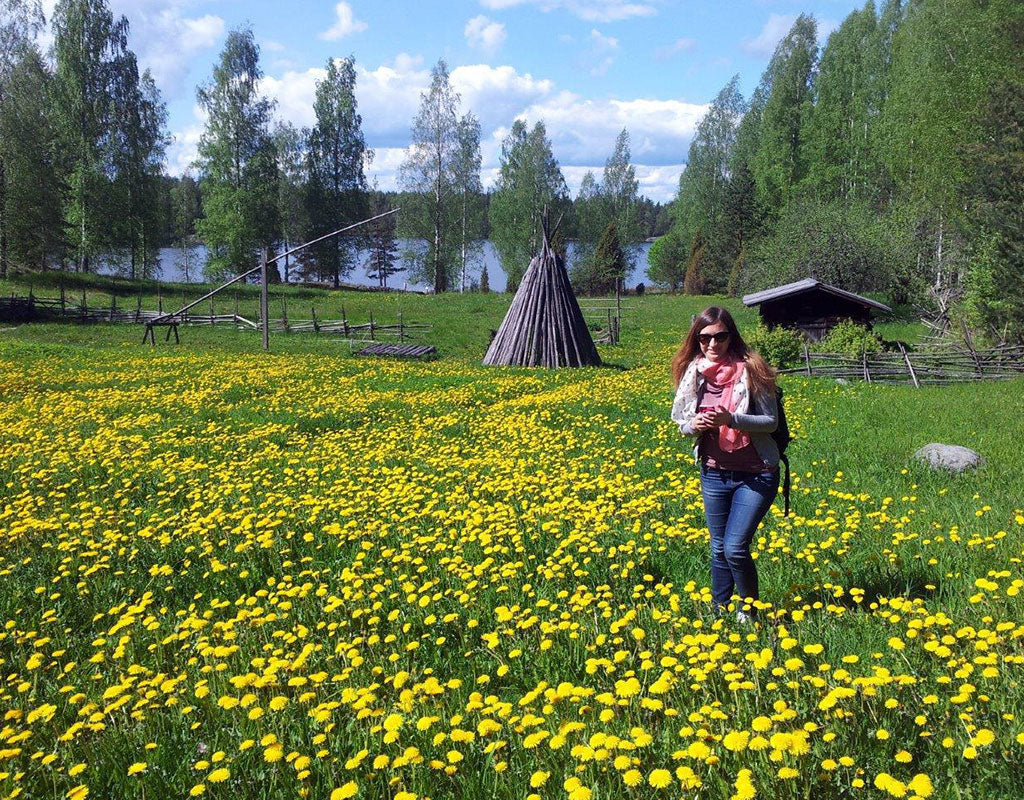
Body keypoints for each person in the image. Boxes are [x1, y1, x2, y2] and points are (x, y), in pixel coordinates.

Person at [670, 306, 780, 623]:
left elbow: (770, 422)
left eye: (720, 336)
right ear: (697, 339)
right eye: (705, 338)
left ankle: (749, 612)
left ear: (731, 336)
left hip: (757, 473)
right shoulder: (694, 373)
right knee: (718, 548)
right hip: (714, 472)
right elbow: (683, 425)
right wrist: (699, 424)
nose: (712, 344)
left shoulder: (754, 369)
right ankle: (720, 610)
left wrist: (731, 418)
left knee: (734, 547)